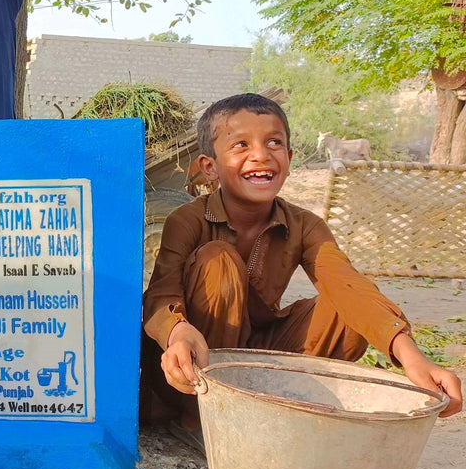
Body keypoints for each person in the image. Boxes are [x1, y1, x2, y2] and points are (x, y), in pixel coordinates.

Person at [142, 93, 462, 448]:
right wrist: (178, 331)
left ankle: (282, 409)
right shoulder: (186, 220)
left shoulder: (305, 224)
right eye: (241, 145)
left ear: (290, 159)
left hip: (256, 354)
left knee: (347, 309)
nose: (261, 155)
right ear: (210, 167)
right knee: (218, 259)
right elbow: (161, 293)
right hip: (191, 367)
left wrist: (411, 356)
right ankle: (199, 422)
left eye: (274, 143)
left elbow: (347, 284)